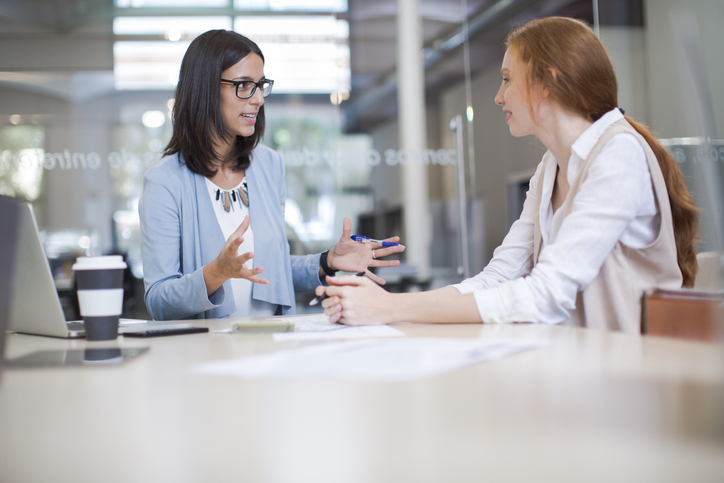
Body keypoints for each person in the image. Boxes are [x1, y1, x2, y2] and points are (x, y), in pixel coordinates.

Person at [317, 16, 700, 334]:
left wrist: (389, 307)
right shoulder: (550, 167)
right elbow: (498, 277)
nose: (498, 97)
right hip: (579, 365)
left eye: (506, 79)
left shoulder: (619, 155)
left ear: (546, 83)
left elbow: (547, 293)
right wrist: (386, 306)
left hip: (634, 376)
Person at [139, 30, 404, 321]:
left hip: (271, 346)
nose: (258, 100)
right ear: (204, 88)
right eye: (243, 85)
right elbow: (158, 301)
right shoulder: (165, 182)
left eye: (260, 85)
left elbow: (272, 270)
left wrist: (328, 261)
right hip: (207, 354)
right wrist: (214, 274)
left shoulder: (268, 165)